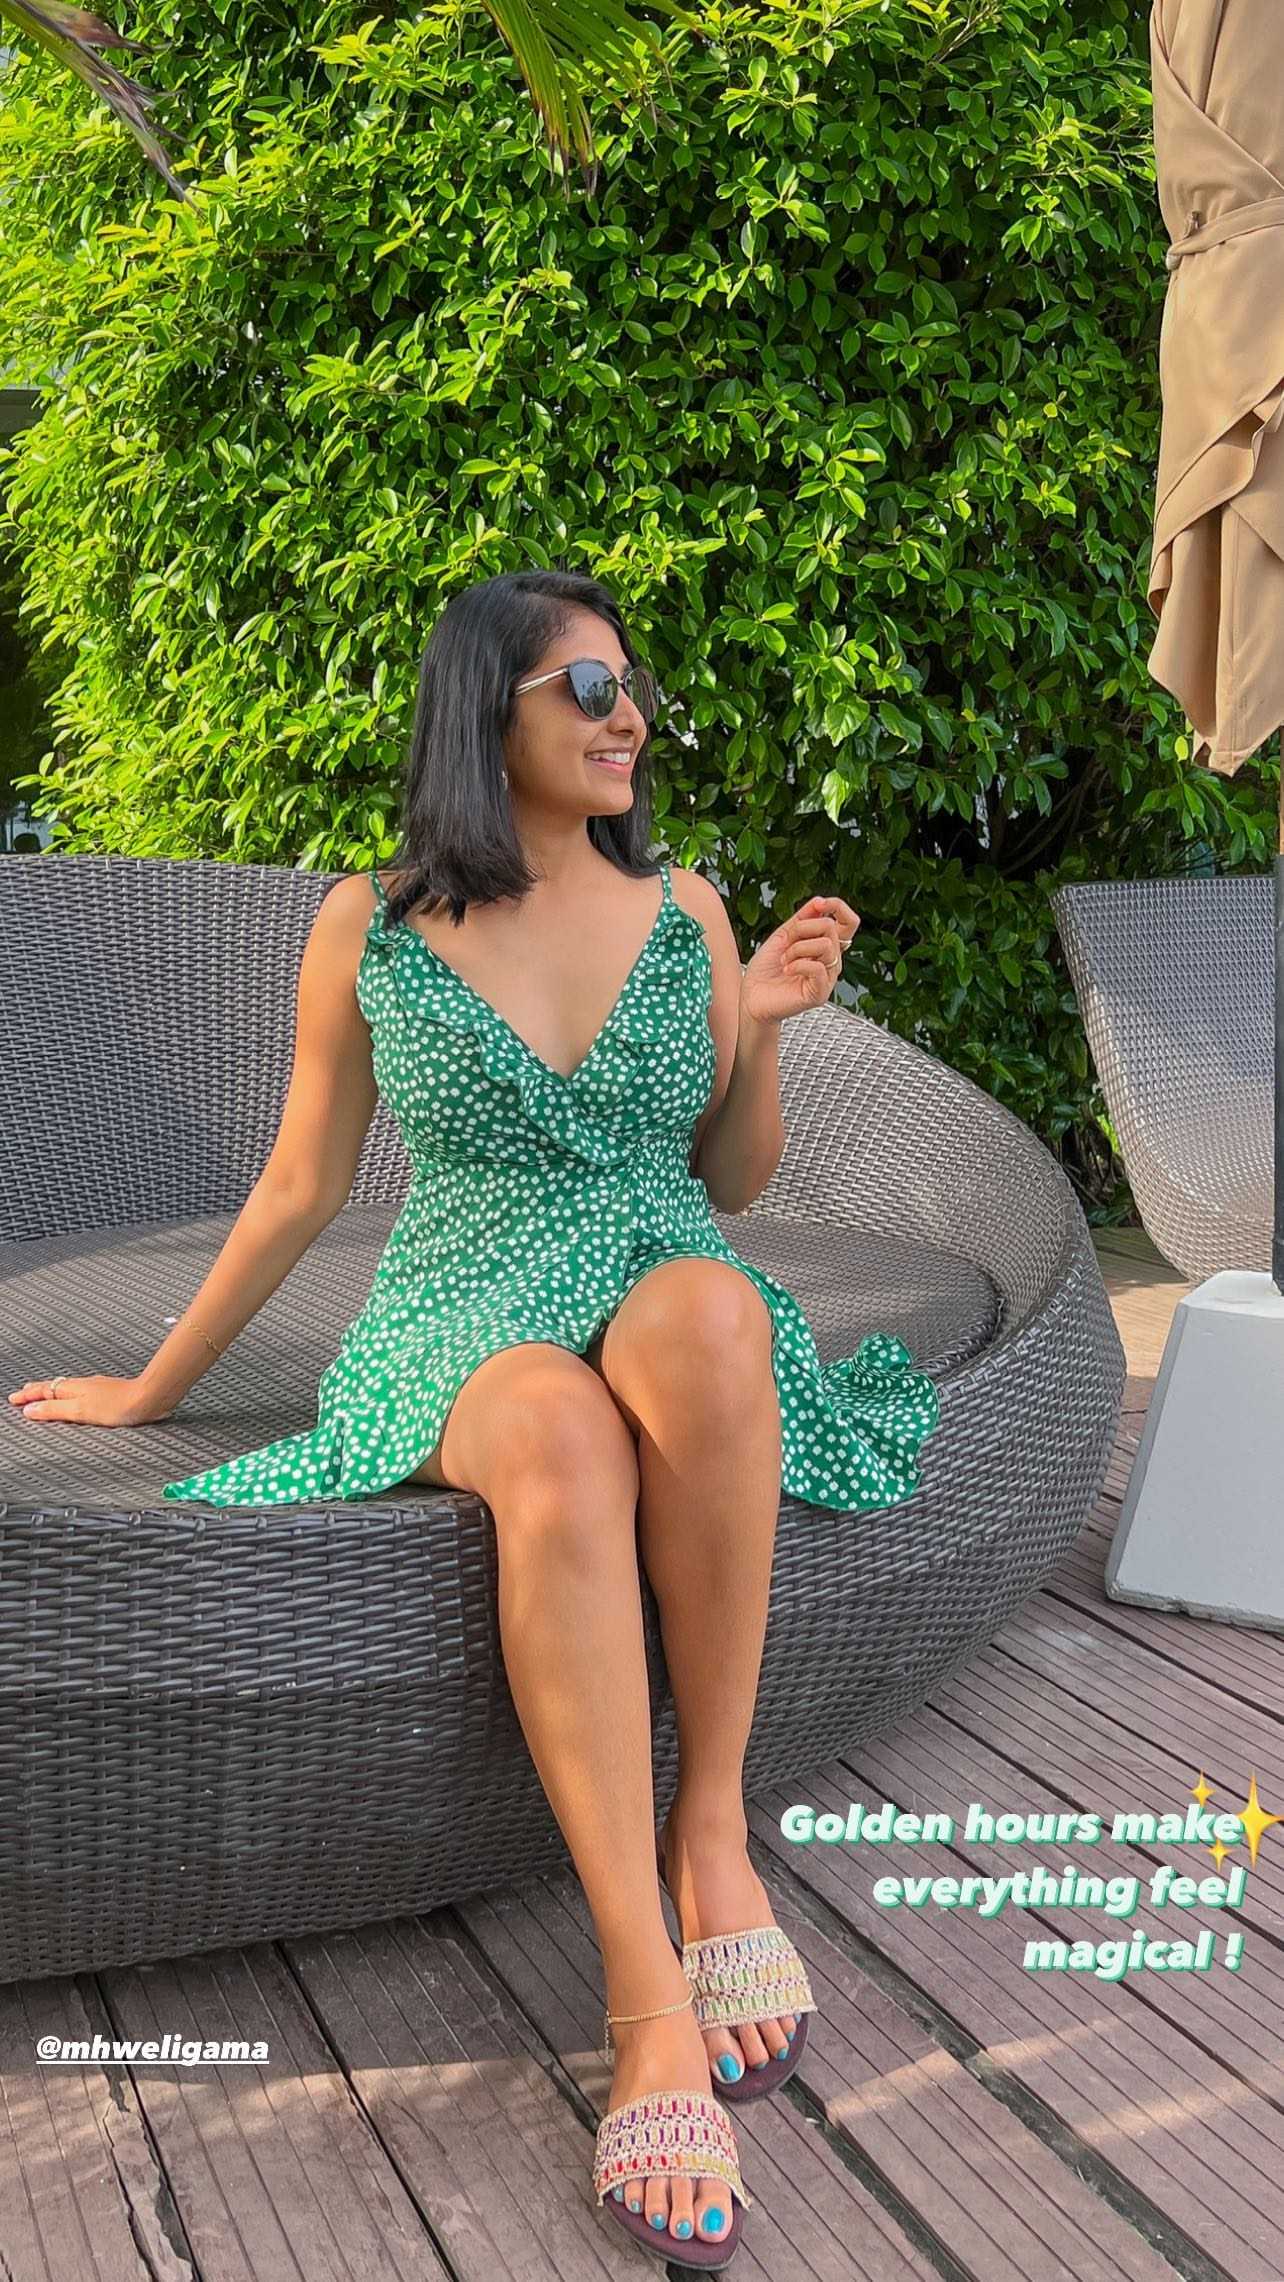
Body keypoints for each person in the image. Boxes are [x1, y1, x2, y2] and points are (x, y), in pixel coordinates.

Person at [8, 568, 941, 2269]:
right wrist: (155, 1386)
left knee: (719, 1314)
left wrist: (758, 1033)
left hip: (658, 1260)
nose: (629, 716)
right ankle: (645, 1990)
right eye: (588, 689)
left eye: (633, 688)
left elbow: (734, 1182)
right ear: (482, 709)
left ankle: (713, 1827)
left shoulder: (688, 908)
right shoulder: (369, 923)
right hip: (461, 1308)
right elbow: (299, 1184)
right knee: (560, 1431)